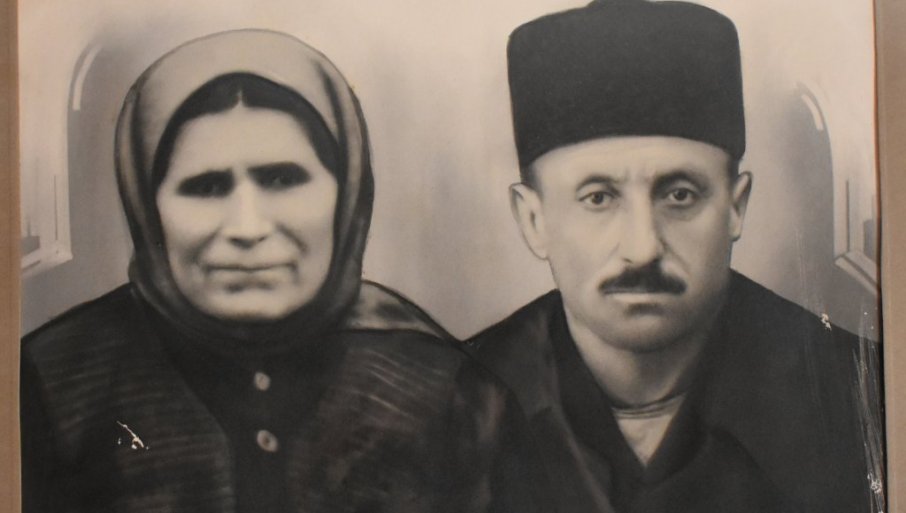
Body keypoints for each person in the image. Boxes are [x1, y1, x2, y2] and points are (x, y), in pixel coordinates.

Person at [20, 29, 517, 513]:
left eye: (282, 179)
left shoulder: (447, 387)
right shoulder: (49, 385)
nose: (248, 227)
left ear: (346, 193)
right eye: (207, 187)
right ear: (148, 208)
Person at [468, 1, 882, 512]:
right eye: (598, 198)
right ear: (534, 220)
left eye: (680, 195)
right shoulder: (446, 407)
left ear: (735, 207)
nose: (643, 248)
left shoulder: (862, 400)